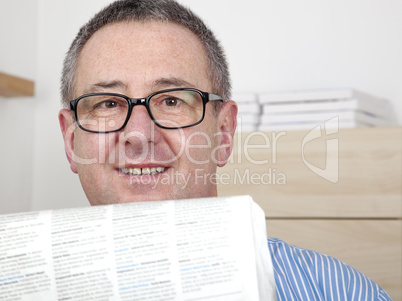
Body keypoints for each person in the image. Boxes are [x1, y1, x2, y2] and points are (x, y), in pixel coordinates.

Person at [58, 0, 391, 299]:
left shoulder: (345, 292)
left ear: (224, 133)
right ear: (71, 140)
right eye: (107, 103)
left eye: (172, 100)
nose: (139, 134)